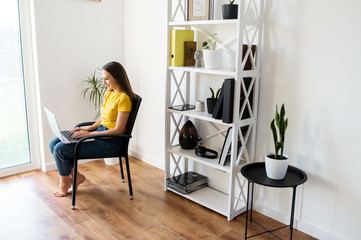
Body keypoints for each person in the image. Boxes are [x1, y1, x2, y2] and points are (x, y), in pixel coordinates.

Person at [49, 61, 135, 197]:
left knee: (61, 149)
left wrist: (89, 134)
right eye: (103, 79)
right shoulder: (109, 93)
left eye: (107, 79)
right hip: (100, 134)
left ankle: (64, 183)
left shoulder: (124, 99)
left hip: (112, 142)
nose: (104, 82)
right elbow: (103, 119)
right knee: (54, 143)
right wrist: (86, 129)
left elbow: (118, 130)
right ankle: (76, 177)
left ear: (117, 77)